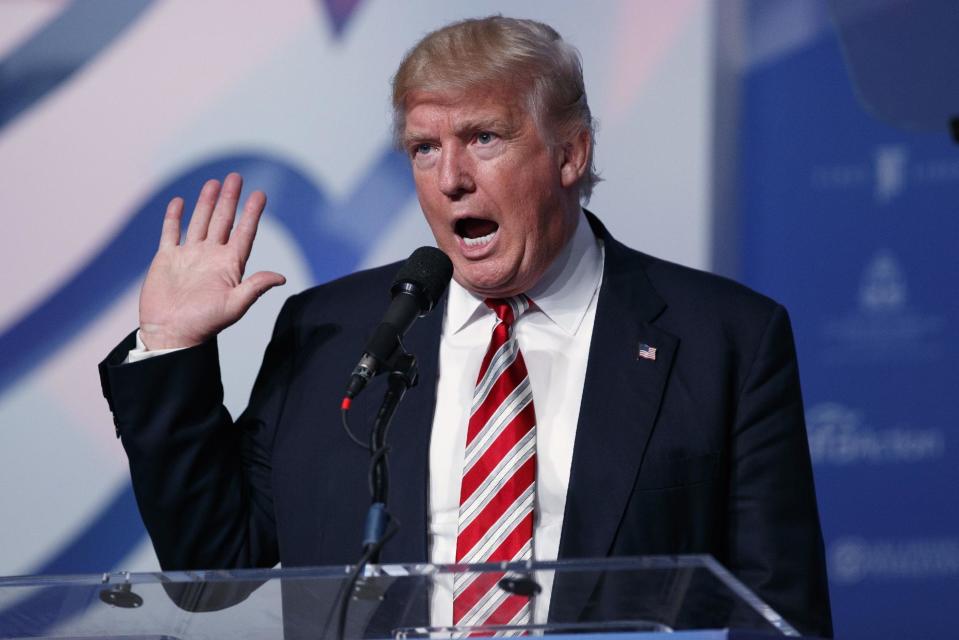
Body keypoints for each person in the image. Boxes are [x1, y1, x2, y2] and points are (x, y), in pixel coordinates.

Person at [99, 16, 832, 637]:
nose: (450, 178)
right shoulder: (332, 332)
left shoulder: (724, 339)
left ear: (570, 153)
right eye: (423, 148)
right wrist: (172, 345)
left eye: (483, 138)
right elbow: (214, 573)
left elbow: (777, 610)